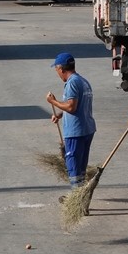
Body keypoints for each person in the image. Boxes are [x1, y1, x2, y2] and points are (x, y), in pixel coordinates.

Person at [45, 52, 95, 189]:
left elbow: (72, 107)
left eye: (56, 70)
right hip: (87, 129)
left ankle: (75, 199)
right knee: (81, 167)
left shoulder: (72, 83)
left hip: (76, 131)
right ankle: (81, 195)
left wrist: (53, 101)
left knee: (73, 167)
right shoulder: (83, 81)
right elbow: (78, 106)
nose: (57, 73)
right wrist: (61, 115)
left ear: (61, 69)